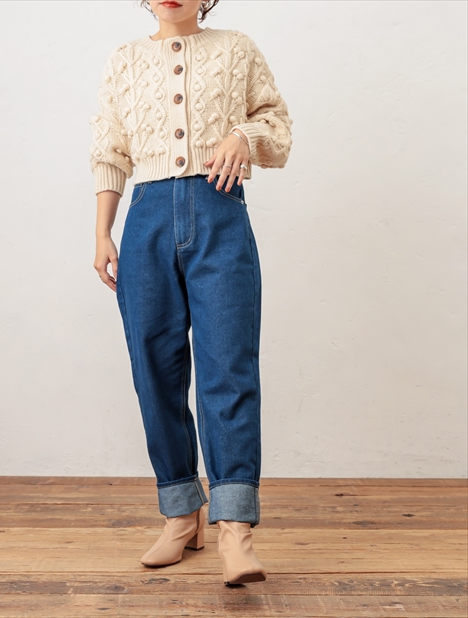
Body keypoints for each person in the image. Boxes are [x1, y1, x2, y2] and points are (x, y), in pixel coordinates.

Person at [89, 0, 293, 585]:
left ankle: (235, 529)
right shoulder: (123, 60)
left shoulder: (236, 48)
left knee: (228, 367)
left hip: (220, 214)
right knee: (154, 368)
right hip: (146, 221)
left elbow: (277, 126)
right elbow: (110, 149)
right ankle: (181, 513)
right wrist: (102, 232)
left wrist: (243, 135)